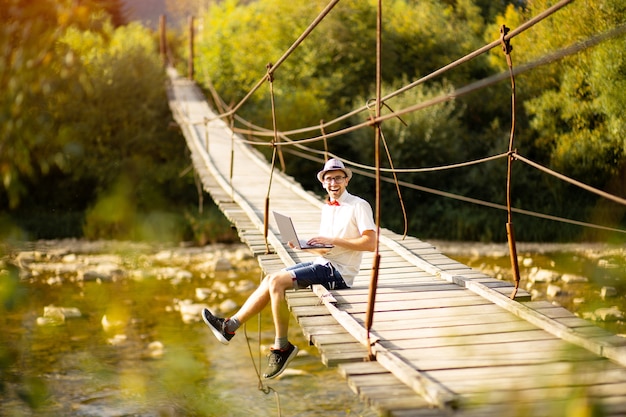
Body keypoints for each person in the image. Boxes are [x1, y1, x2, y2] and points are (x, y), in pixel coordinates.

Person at [202, 158, 377, 379]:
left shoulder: (358, 206)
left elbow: (370, 244)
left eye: (338, 178)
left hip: (340, 273)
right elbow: (329, 249)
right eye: (329, 178)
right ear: (323, 183)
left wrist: (332, 240)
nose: (334, 182)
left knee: (277, 282)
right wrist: (305, 246)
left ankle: (282, 347)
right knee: (271, 279)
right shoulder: (327, 208)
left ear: (346, 180)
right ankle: (229, 327)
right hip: (323, 263)